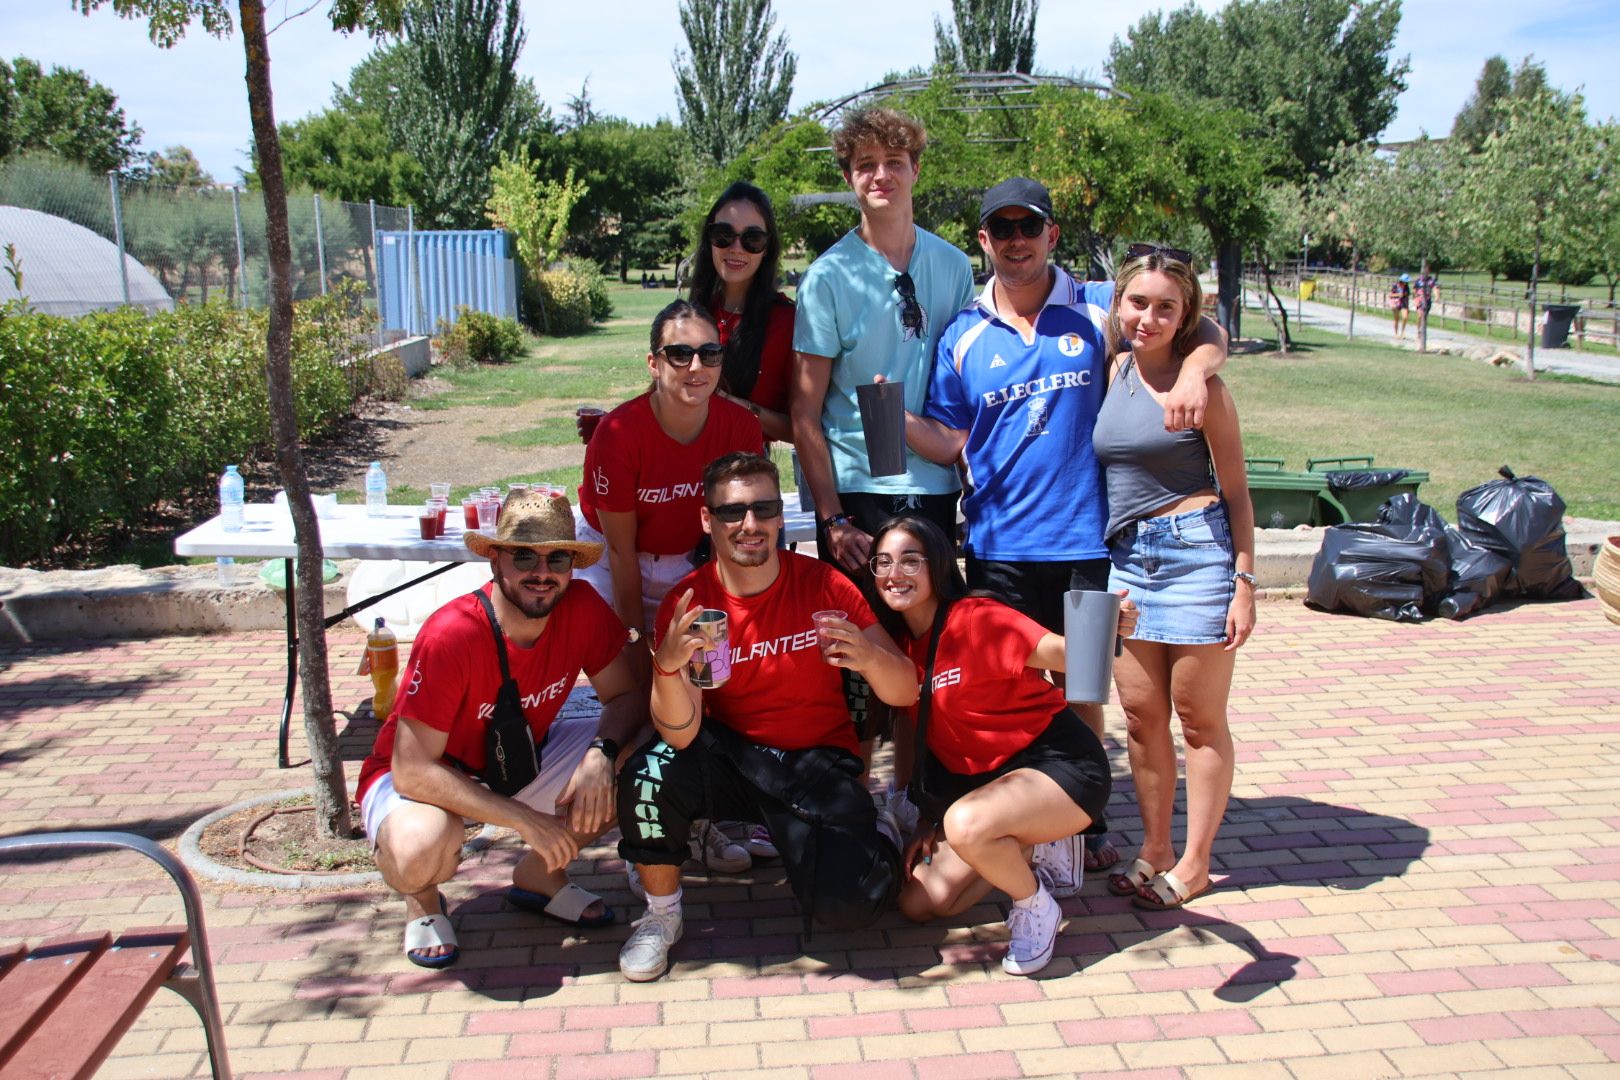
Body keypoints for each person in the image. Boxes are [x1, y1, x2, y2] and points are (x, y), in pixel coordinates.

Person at [903, 180, 1230, 876]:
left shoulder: (1096, 307)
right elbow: (947, 436)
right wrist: (874, 414)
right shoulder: (964, 333)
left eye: (1030, 226)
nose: (1016, 239)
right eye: (1002, 228)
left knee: (1082, 687)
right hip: (999, 553)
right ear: (984, 242)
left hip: (1087, 549)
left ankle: (1086, 820)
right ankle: (1027, 816)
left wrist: (1200, 370)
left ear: (1052, 235)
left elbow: (1199, 323)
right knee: (1017, 691)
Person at [615, 452, 921, 982]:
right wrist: (666, 668)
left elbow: (904, 693)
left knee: (851, 908)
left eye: (763, 509)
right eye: (732, 512)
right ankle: (661, 916)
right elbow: (680, 732)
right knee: (648, 773)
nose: (750, 525)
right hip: (731, 756)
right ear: (707, 520)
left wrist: (869, 656)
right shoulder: (690, 602)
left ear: (781, 517)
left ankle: (881, 838)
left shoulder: (825, 586)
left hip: (815, 765)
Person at [354, 491, 643, 969]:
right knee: (416, 850)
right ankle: (423, 900)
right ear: (495, 560)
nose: (542, 572)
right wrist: (524, 820)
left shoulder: (583, 607)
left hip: (517, 758)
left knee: (646, 751)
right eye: (524, 555)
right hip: (428, 775)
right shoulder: (453, 633)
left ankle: (542, 873)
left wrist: (601, 753)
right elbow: (412, 770)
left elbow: (625, 697)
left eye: (558, 557)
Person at [790, 104, 974, 792]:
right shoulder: (830, 277)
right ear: (849, 177)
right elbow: (805, 410)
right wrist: (832, 517)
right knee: (859, 659)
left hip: (934, 489)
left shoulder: (953, 267)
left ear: (915, 170)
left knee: (933, 654)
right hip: (862, 497)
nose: (881, 176)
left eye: (894, 162)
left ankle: (920, 796)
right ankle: (857, 805)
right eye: (865, 165)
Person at [871, 514, 1135, 976]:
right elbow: (931, 740)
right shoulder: (899, 649)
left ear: (937, 564)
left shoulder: (979, 619)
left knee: (968, 825)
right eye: (884, 562)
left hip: (1060, 768)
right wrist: (925, 820)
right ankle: (1032, 847)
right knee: (920, 903)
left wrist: (1110, 626)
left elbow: (1062, 651)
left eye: (911, 561)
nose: (896, 574)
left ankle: (1034, 905)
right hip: (985, 789)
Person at [575, 298, 764, 874]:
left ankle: (699, 823)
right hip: (621, 559)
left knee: (709, 683)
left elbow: (742, 531)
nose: (694, 366)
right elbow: (624, 558)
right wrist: (637, 646)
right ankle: (643, 841)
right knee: (637, 698)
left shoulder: (739, 426)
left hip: (695, 563)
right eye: (678, 353)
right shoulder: (620, 431)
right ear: (653, 363)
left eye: (708, 352)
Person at [1093, 247, 1257, 911]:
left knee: (1198, 721)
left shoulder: (1208, 391)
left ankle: (1194, 862)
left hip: (1197, 559)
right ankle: (1155, 848)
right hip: (1127, 561)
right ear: (1119, 303)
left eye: (1167, 306)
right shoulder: (1112, 366)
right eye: (1139, 302)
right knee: (1138, 717)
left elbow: (1241, 493)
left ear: (1187, 314)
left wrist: (1244, 582)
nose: (1149, 317)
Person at [686, 181, 795, 443]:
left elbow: (800, 427)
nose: (736, 248)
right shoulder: (691, 313)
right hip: (681, 466)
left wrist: (735, 407)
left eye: (752, 239)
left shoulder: (786, 321)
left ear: (766, 249)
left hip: (745, 471)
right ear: (709, 240)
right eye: (723, 234)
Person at [1388, 273, 1411, 340]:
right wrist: (1398, 294)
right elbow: (1390, 294)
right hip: (1396, 303)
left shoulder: (1407, 287)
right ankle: (1396, 333)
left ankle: (1403, 332)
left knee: (1405, 317)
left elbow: (1407, 295)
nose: (1406, 283)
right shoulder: (1395, 286)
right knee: (1396, 319)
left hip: (1404, 303)